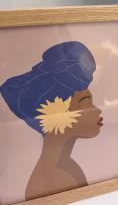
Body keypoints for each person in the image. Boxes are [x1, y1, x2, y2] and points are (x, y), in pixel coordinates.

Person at [0, 41, 103, 200]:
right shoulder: (55, 178)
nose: (97, 110)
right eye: (84, 102)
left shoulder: (65, 166)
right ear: (54, 114)